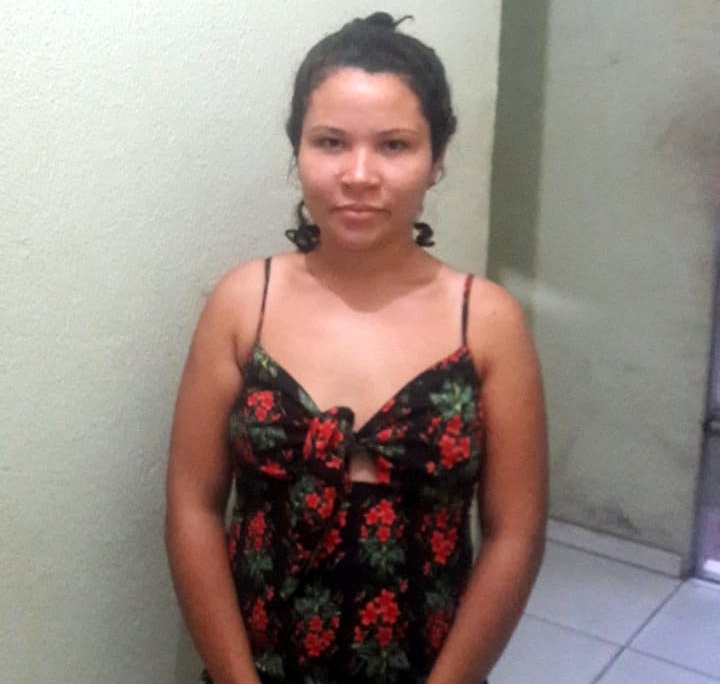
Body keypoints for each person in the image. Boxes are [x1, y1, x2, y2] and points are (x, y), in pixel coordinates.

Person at [165, 12, 547, 684]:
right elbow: (192, 506)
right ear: (298, 150)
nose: (360, 174)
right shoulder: (242, 304)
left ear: (437, 158)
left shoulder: (487, 323)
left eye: (394, 145)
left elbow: (515, 534)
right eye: (331, 142)